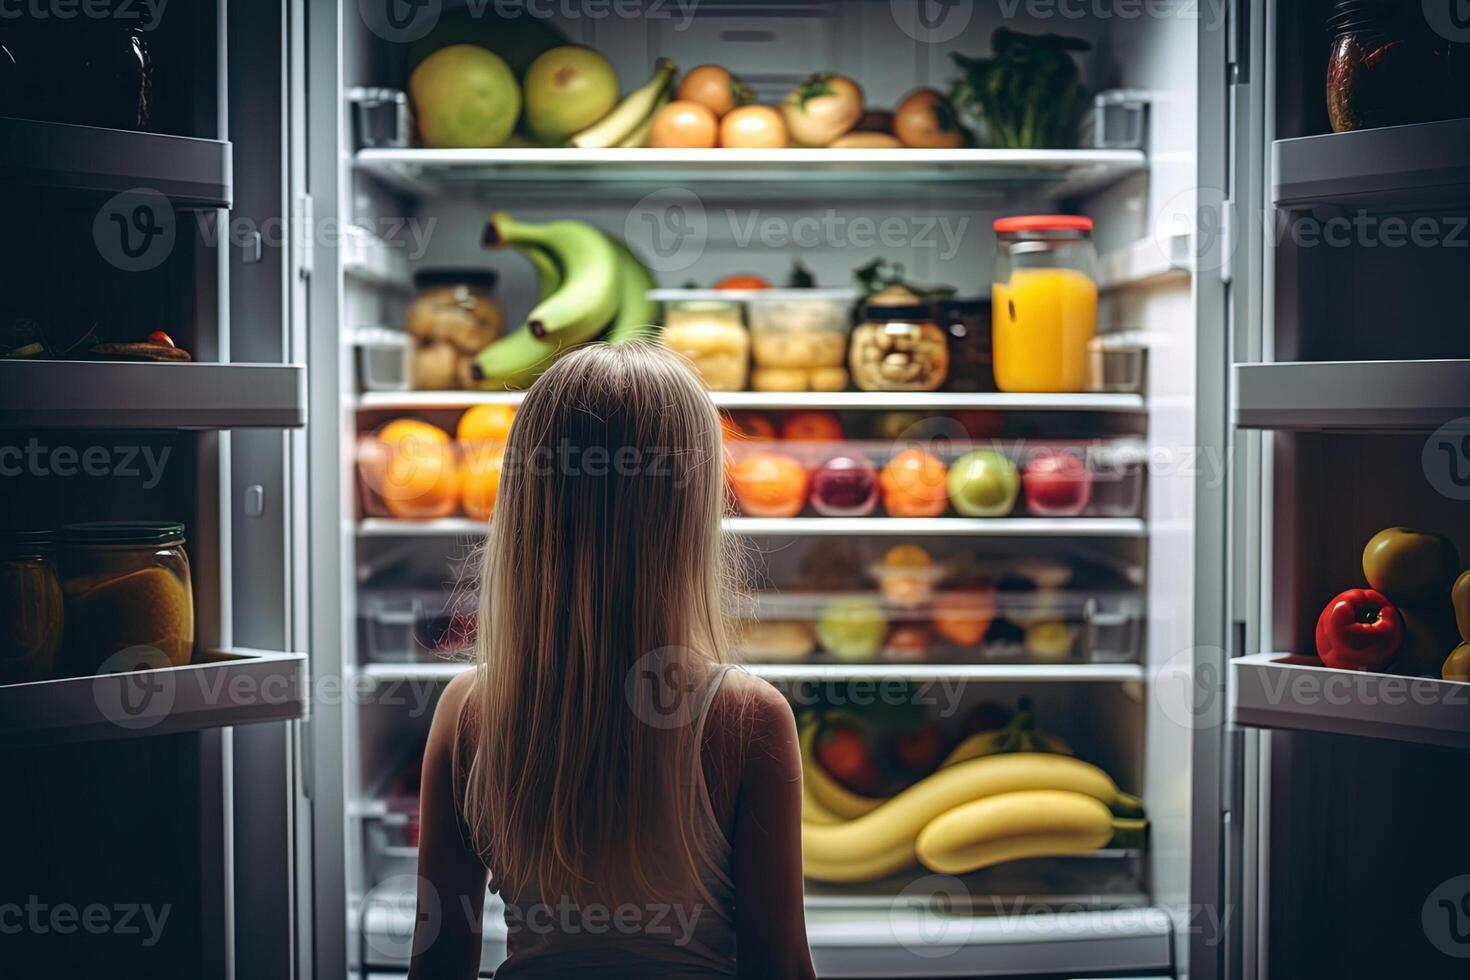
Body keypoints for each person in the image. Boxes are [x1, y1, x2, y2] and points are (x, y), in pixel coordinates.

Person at [409, 343, 816, 979]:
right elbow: (781, 967)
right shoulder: (748, 717)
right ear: (690, 515)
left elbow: (436, 964)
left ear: (526, 505)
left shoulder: (467, 711)